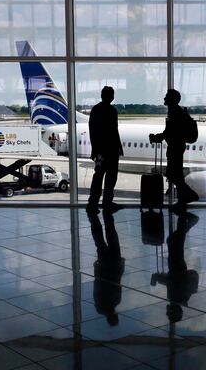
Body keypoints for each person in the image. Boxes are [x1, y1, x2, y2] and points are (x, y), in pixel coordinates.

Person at [149, 89, 199, 212]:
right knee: (176, 175)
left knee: (174, 175)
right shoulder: (177, 111)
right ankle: (182, 201)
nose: (164, 99)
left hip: (175, 148)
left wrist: (156, 137)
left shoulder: (175, 112)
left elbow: (169, 132)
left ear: (172, 99)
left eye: (166, 97)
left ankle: (190, 195)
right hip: (177, 146)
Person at [87, 86, 123, 214]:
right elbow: (114, 131)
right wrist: (119, 147)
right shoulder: (112, 110)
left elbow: (92, 131)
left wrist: (94, 149)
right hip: (111, 150)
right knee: (111, 178)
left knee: (98, 176)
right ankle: (107, 203)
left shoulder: (96, 109)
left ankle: (92, 203)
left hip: (101, 150)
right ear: (112, 97)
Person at [89, 211, 125, 326]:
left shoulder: (116, 301)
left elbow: (118, 282)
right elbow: (97, 286)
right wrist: (96, 269)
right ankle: (94, 219)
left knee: (111, 236)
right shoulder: (102, 306)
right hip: (105, 268)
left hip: (112, 266)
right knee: (100, 241)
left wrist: (121, 264)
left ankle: (106, 217)